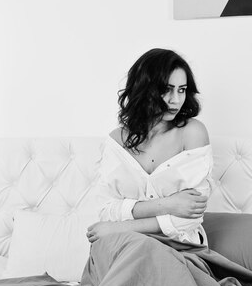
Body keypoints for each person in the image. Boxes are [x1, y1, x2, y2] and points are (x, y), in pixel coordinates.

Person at [86, 48, 214, 245]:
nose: (176, 100)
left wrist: (119, 226)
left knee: (139, 261)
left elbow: (191, 215)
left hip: (178, 248)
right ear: (144, 89)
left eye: (181, 90)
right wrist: (169, 205)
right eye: (167, 89)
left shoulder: (192, 133)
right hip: (122, 245)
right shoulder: (117, 140)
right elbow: (106, 209)